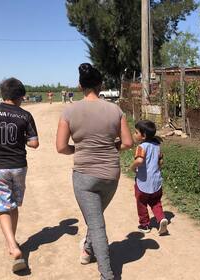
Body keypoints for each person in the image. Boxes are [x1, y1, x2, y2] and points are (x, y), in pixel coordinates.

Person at [56, 63, 133, 280]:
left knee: (96, 224)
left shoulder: (69, 111)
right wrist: (110, 147)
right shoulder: (115, 110)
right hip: (111, 174)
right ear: (100, 85)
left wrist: (79, 148)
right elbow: (128, 142)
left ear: (80, 86)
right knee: (96, 217)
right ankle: (88, 250)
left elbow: (61, 147)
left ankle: (107, 275)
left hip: (84, 176)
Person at [0, 77, 39, 272]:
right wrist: (23, 139)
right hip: (19, 166)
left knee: (3, 205)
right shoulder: (26, 115)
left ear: (3, 94)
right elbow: (34, 143)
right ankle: (13, 240)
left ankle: (12, 245)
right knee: (14, 205)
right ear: (20, 96)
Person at [130, 120, 168, 235]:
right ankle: (161, 218)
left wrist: (132, 167)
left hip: (143, 182)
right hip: (156, 181)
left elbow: (140, 160)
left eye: (136, 132)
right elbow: (160, 161)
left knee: (141, 203)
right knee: (156, 202)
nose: (134, 134)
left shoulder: (141, 147)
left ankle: (144, 224)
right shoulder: (157, 146)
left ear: (143, 136)